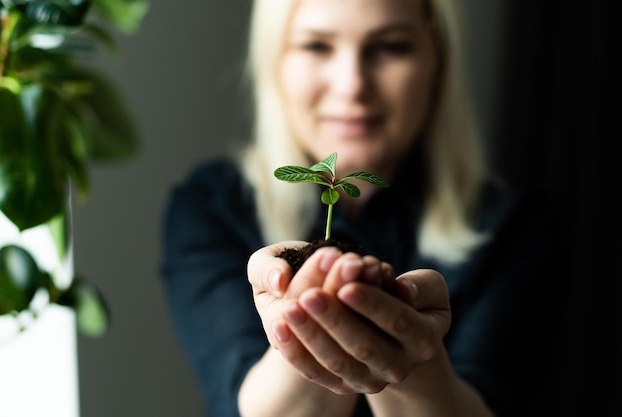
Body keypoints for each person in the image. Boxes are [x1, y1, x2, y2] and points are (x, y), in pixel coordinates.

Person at [161, 0, 567, 416]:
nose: (352, 84)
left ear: (436, 61)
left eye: (390, 47)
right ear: (275, 60)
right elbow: (241, 401)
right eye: (317, 46)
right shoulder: (213, 206)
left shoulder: (517, 223)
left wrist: (412, 361)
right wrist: (307, 323)